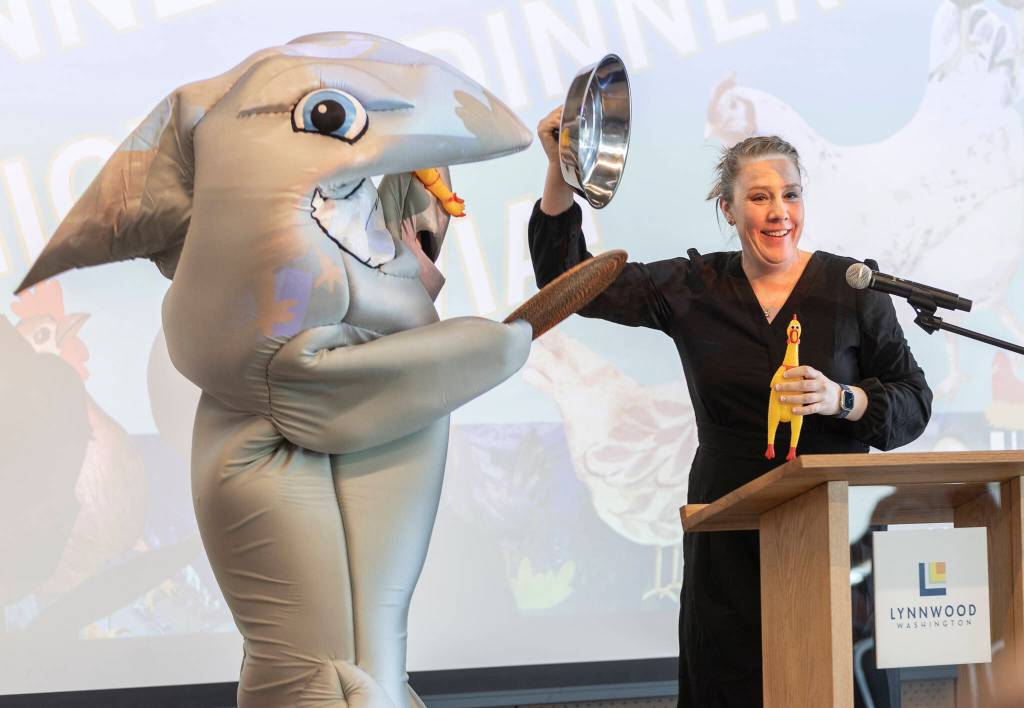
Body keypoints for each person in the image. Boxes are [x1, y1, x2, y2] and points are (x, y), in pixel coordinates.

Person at [529, 106, 933, 707]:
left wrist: (843, 399)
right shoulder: (694, 286)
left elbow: (914, 402)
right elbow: (571, 283)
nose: (779, 213)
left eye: (791, 195)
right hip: (725, 520)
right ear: (728, 208)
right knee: (726, 680)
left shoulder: (852, 289)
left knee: (818, 682)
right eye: (760, 197)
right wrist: (560, 170)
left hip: (816, 526)